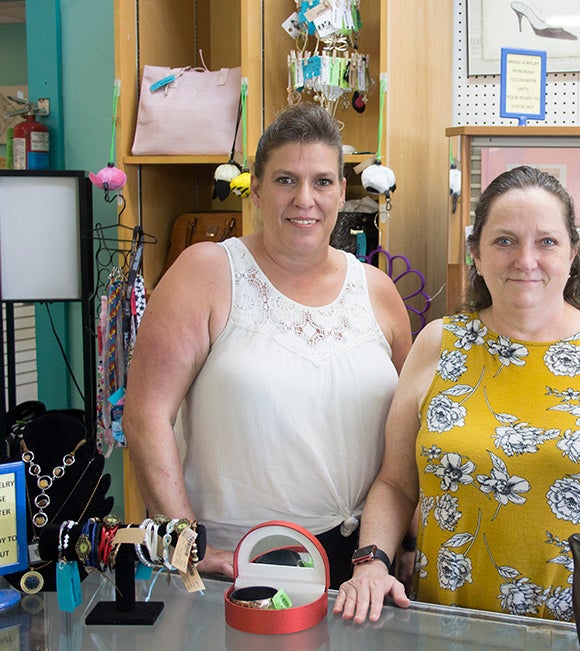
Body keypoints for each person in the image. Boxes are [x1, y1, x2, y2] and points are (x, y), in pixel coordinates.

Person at [334, 166, 580, 651]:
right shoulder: (438, 345)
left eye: (547, 242)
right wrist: (370, 564)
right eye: (505, 241)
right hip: (446, 628)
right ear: (476, 252)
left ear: (573, 253)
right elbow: (395, 483)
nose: (525, 260)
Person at [122, 102, 412, 588]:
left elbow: (408, 438)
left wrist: (402, 544)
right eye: (285, 180)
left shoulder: (376, 291)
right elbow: (146, 414)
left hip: (361, 565)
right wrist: (185, 542)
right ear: (255, 189)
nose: (305, 199)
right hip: (237, 561)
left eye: (322, 181)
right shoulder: (207, 273)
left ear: (342, 192)